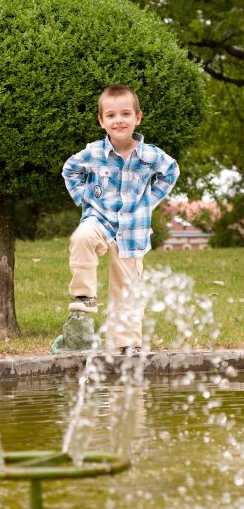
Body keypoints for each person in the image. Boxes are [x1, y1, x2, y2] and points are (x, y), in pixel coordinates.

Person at [62, 84, 179, 352]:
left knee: (126, 289)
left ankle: (126, 346)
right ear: (101, 121)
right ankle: (84, 296)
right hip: (99, 219)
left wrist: (150, 201)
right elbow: (70, 170)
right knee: (82, 238)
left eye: (126, 114)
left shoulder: (150, 155)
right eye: (111, 115)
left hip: (133, 231)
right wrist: (84, 198)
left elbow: (171, 171)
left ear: (138, 117)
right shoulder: (94, 152)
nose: (119, 120)